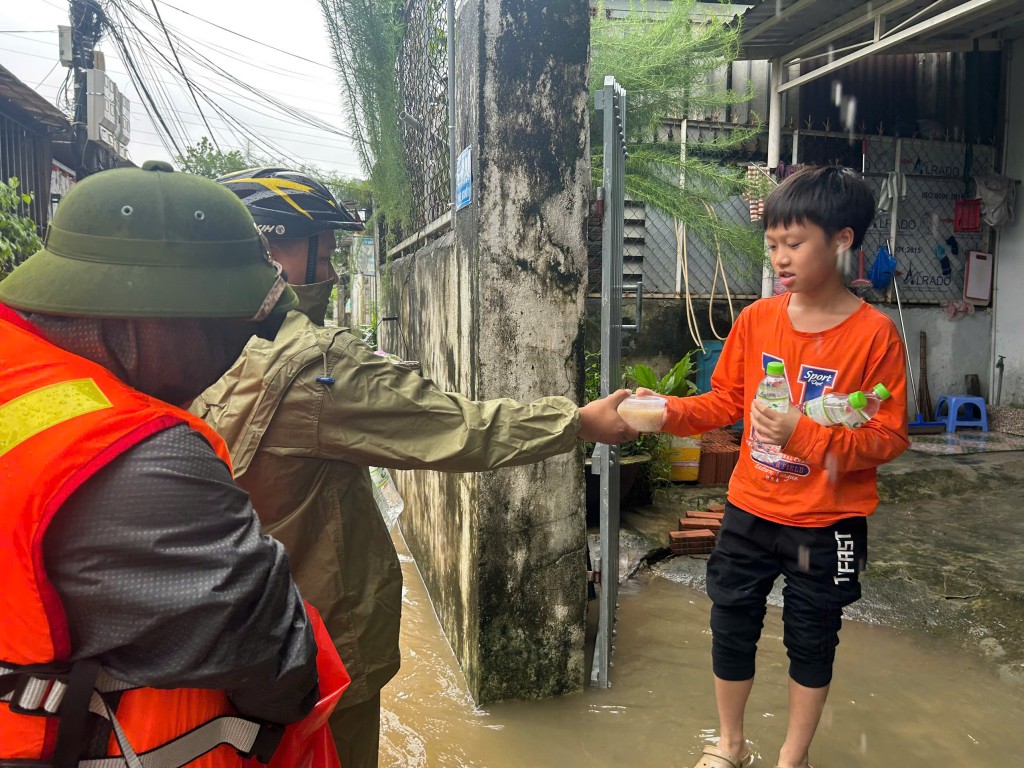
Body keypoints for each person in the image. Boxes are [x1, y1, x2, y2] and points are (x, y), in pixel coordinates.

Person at [193, 167, 639, 768]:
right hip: (318, 651)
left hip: (225, 644)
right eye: (325, 249)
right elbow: (459, 428)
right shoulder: (320, 368)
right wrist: (578, 423)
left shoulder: (190, 351)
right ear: (279, 250)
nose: (332, 269)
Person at [0, 161, 326, 767]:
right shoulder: (144, 460)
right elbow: (284, 669)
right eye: (240, 328)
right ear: (159, 317)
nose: (240, 353)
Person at [647, 166, 909, 768]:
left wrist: (805, 435)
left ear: (842, 240)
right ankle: (730, 746)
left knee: (812, 637)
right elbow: (723, 404)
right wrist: (661, 412)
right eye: (772, 246)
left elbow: (890, 435)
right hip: (749, 507)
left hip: (831, 520)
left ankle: (793, 758)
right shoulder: (757, 320)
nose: (780, 258)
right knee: (731, 621)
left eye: (794, 244)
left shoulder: (875, 338)